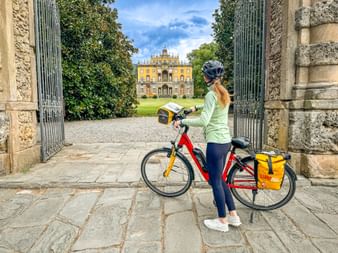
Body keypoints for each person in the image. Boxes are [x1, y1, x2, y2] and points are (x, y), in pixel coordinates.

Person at [174, 60, 241, 232]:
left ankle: (222, 221)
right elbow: (212, 106)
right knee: (221, 179)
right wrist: (196, 106)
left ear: (207, 77)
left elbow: (204, 121)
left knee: (215, 181)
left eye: (204, 74)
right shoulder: (222, 92)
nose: (203, 76)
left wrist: (182, 121)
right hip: (225, 141)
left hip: (215, 143)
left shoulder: (211, 94)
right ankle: (233, 216)